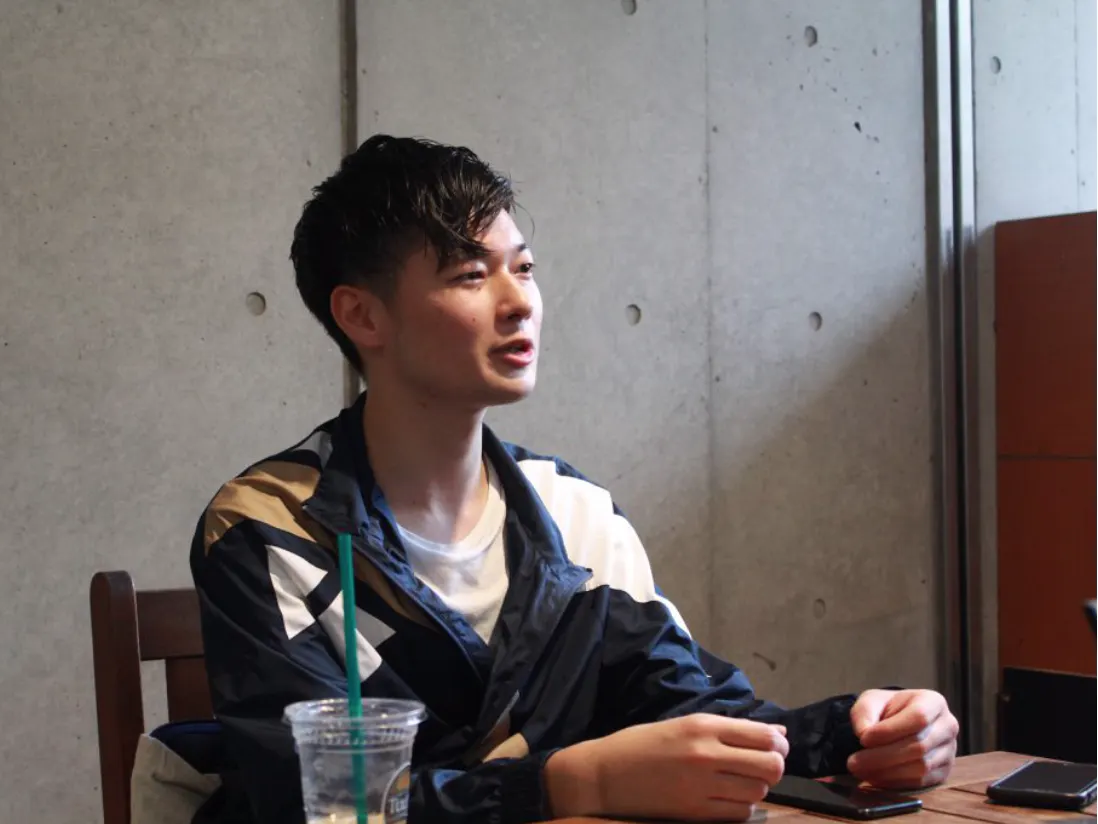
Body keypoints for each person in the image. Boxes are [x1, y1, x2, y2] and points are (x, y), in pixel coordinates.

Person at [190, 135, 960, 824]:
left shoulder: (570, 513)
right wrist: (574, 783)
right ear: (363, 317)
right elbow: (310, 802)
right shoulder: (273, 530)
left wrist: (864, 730)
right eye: (471, 275)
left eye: (524, 268)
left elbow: (693, 708)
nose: (519, 302)